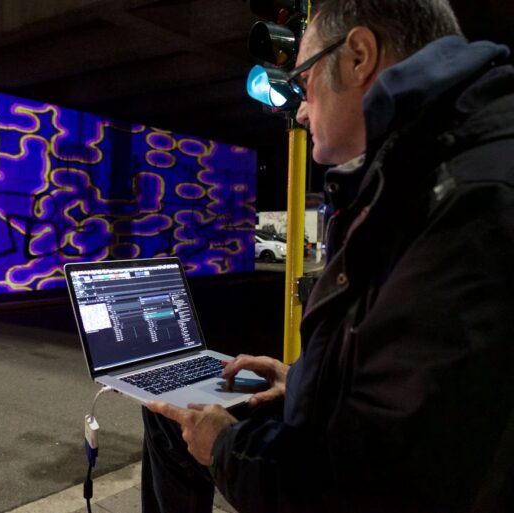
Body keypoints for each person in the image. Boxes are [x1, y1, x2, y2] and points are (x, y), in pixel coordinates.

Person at [142, 0, 514, 511]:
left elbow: (373, 485)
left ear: (359, 55)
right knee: (168, 418)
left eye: (305, 80)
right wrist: (299, 381)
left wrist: (225, 448)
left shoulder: (470, 199)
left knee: (192, 424)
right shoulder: (429, 170)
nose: (299, 108)